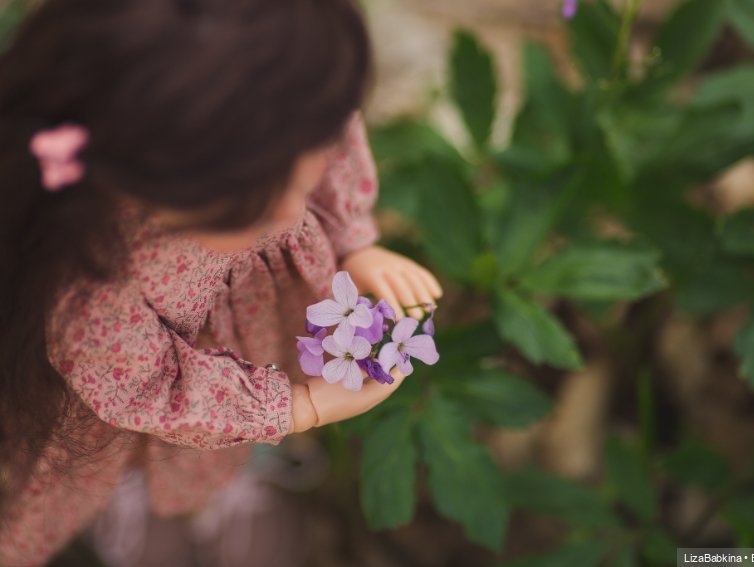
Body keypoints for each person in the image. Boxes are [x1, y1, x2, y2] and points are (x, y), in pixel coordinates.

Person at [0, 0, 442, 564]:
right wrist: (297, 408)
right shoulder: (89, 277)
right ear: (141, 185)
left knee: (245, 403)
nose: (293, 214)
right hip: (143, 400)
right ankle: (131, 493)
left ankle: (233, 471)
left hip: (255, 337)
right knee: (130, 449)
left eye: (300, 174)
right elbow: (151, 391)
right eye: (253, 211)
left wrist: (355, 240)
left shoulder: (283, 101)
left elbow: (335, 144)